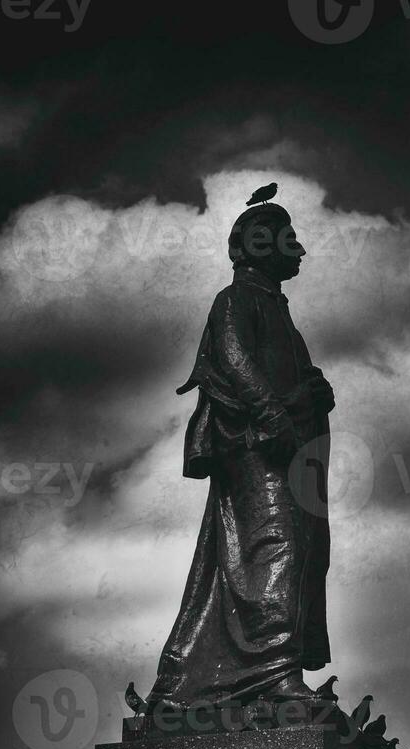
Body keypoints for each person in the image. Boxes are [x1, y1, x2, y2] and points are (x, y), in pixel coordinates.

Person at [146, 202, 336, 710]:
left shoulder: (279, 312)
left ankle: (264, 672)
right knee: (276, 545)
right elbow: (232, 358)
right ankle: (273, 674)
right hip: (259, 446)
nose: (298, 248)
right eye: (287, 236)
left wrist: (314, 391)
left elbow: (286, 373)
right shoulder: (235, 299)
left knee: (301, 550)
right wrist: (272, 415)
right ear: (257, 242)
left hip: (289, 450)